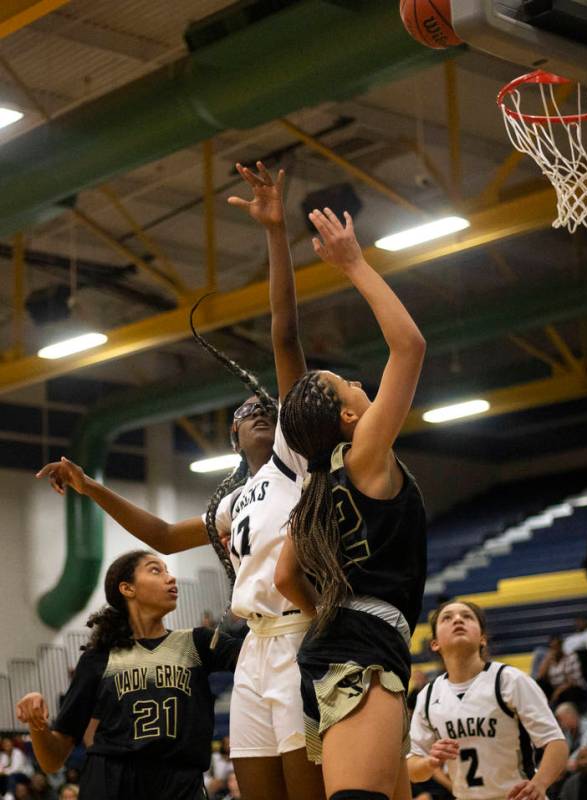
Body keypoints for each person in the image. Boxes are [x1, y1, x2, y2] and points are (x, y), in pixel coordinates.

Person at [35, 163, 324, 800]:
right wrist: (90, 487)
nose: (259, 412)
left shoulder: (294, 461)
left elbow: (285, 335)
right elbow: (163, 535)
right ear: (230, 438)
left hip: (301, 633)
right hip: (253, 650)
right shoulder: (233, 500)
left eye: (267, 408)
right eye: (245, 412)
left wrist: (275, 233)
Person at [271, 205, 427, 800]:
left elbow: (288, 576)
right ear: (349, 417)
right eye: (350, 385)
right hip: (362, 645)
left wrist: (329, 609)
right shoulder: (362, 455)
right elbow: (409, 347)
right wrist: (355, 263)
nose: (361, 384)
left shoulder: (311, 490)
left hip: (344, 640)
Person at [15, 551, 241, 800]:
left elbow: (255, 655)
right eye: (156, 570)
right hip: (111, 784)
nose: (171, 578)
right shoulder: (98, 658)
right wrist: (36, 724)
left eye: (168, 570)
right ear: (127, 588)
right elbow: (53, 760)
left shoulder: (197, 642)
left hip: (181, 785)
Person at [407, 601, 568, 800]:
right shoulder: (428, 695)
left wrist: (540, 783)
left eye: (467, 616)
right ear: (435, 643)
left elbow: (556, 743)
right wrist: (430, 762)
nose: (457, 620)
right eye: (447, 618)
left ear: (482, 638)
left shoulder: (510, 680)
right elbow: (412, 769)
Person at [536, 636, 587, 708]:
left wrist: (557, 693)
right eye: (552, 647)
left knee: (569, 693)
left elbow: (571, 681)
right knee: (540, 684)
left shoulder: (571, 657)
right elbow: (540, 677)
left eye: (556, 647)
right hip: (555, 688)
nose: (555, 650)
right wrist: (547, 660)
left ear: (561, 646)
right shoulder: (549, 659)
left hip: (573, 687)